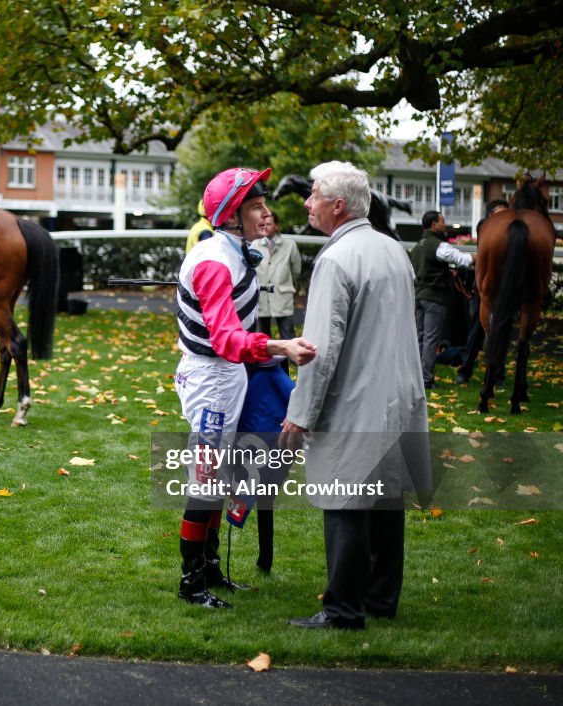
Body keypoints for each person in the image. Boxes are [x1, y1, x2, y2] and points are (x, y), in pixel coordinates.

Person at [281, 161, 431, 630]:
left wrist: (300, 414)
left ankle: (343, 609)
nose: (307, 203)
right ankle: (381, 600)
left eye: (314, 195)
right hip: (399, 394)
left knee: (344, 500)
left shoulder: (335, 259)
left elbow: (317, 351)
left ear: (338, 206)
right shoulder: (394, 250)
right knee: (386, 501)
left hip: (357, 399)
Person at [174, 166, 317, 609]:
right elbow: (226, 340)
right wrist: (280, 346)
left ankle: (211, 570)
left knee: (218, 480)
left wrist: (270, 354)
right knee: (206, 483)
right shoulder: (216, 262)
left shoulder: (235, 251)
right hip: (212, 379)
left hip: (227, 375)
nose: (266, 213)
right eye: (256, 206)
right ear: (231, 216)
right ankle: (190, 583)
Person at [409, 210, 474, 389]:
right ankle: (427, 379)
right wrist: (477, 257)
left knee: (419, 339)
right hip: (434, 298)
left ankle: (415, 378)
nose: (445, 224)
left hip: (418, 296)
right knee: (431, 340)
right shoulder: (438, 245)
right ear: (434, 225)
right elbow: (461, 259)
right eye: (442, 221)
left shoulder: (417, 247)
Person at [456, 199, 509, 385]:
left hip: (504, 290)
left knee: (502, 332)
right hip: (484, 289)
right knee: (476, 331)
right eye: (499, 213)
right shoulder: (484, 227)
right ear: (490, 215)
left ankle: (498, 375)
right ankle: (466, 369)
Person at [251, 212, 301, 341]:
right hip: (262, 297)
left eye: (269, 224)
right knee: (263, 338)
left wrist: (286, 283)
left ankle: (287, 361)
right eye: (263, 224)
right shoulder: (255, 245)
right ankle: (268, 362)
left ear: (276, 226)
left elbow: (296, 270)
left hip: (282, 295)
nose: (265, 227)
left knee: (287, 335)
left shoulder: (290, 245)